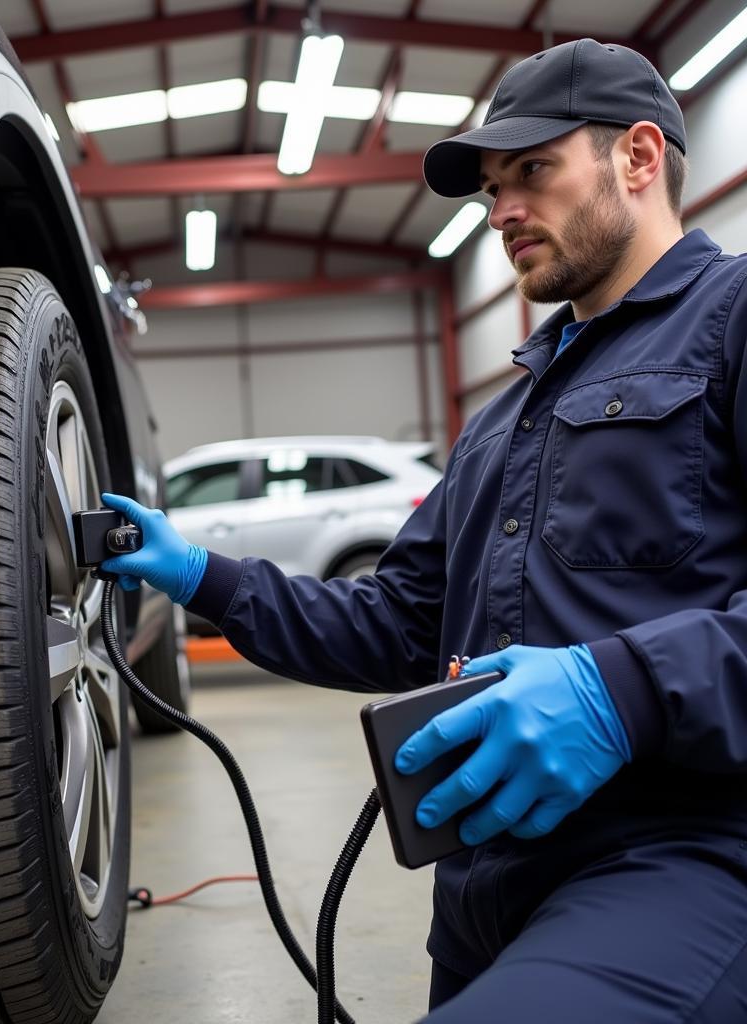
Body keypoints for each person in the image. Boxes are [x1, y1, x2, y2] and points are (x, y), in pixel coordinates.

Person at [101, 38, 747, 1022]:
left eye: (532, 170)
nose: (502, 212)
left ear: (640, 158)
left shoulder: (732, 318)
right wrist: (203, 576)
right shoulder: (498, 420)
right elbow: (396, 623)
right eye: (490, 190)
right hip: (479, 892)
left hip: (675, 858)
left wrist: (624, 692)